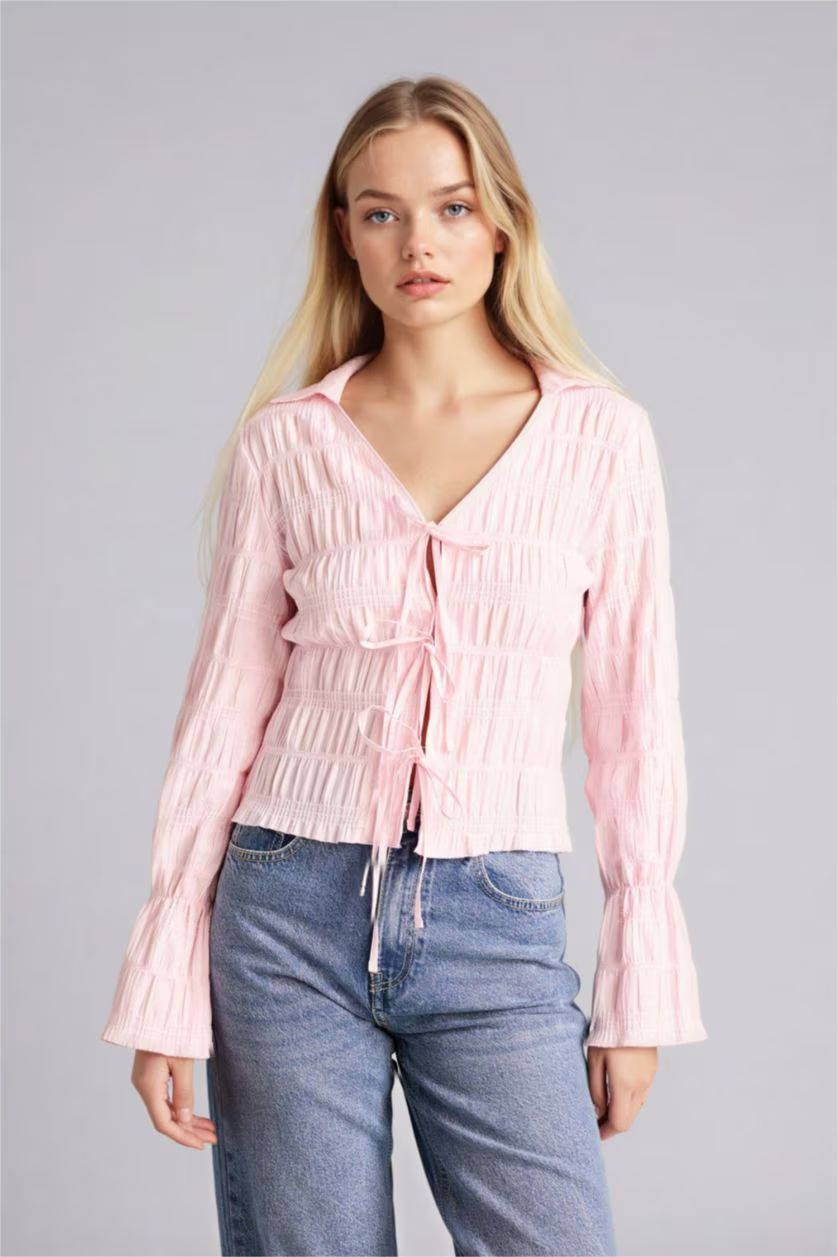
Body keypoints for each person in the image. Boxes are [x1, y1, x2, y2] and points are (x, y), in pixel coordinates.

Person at [101, 75, 707, 1256]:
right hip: (283, 914)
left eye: (451, 207)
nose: (417, 243)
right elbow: (221, 716)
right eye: (381, 213)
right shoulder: (288, 444)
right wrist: (164, 980)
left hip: (497, 913)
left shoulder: (600, 439)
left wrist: (636, 987)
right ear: (345, 234)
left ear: (503, 224)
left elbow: (636, 723)